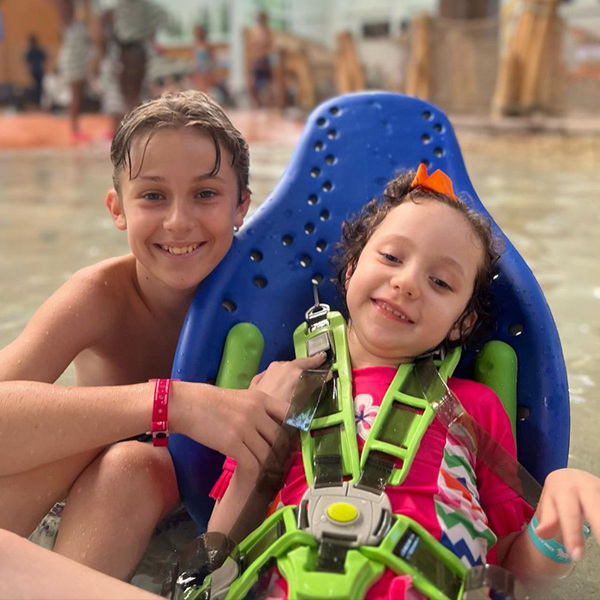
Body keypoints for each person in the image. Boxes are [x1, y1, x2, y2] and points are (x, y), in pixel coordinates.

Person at [207, 165, 600, 597]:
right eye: (391, 257)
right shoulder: (283, 387)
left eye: (440, 282)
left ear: (462, 323)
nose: (407, 282)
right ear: (352, 267)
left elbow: (513, 573)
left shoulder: (474, 409)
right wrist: (257, 437)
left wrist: (557, 530)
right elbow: (219, 551)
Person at [0, 90, 320, 581]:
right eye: (153, 195)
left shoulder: (278, 299)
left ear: (242, 206)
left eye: (206, 194)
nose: (178, 221)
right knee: (113, 452)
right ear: (117, 209)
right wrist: (172, 404)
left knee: (134, 466)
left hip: (197, 521)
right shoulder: (100, 296)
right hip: (82, 516)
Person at [56, 0, 91, 143]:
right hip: (72, 64)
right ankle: (74, 130)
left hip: (79, 63)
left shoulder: (78, 24)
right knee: (75, 96)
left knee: (77, 96)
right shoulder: (68, 23)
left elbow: (86, 8)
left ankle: (75, 129)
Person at [246, 10, 275, 108]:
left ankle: (266, 105)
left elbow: (270, 47)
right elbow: (250, 48)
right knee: (253, 85)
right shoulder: (254, 32)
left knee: (267, 85)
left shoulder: (268, 32)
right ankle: (257, 104)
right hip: (256, 60)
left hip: (265, 60)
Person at [24, 34, 47, 106]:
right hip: (36, 71)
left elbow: (44, 58)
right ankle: (37, 102)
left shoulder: (36, 50)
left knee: (39, 87)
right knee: (36, 87)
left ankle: (39, 102)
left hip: (38, 71)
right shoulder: (32, 51)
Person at [191, 24, 214, 93]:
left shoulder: (207, 44)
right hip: (198, 68)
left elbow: (212, 57)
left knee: (206, 86)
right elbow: (194, 57)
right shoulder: (195, 44)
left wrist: (210, 68)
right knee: (198, 86)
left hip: (206, 68)